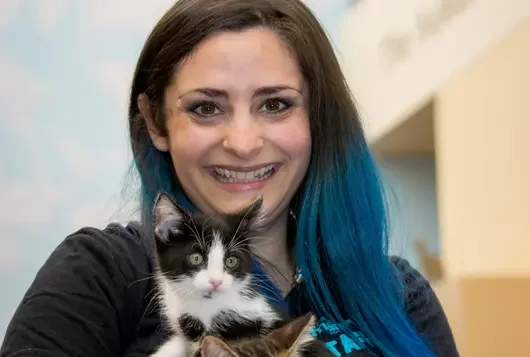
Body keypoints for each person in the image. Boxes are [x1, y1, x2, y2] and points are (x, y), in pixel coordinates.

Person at [1, 0, 459, 356]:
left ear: (317, 118)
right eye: (205, 107)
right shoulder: (101, 273)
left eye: (275, 104)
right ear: (156, 122)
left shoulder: (398, 293)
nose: (242, 143)